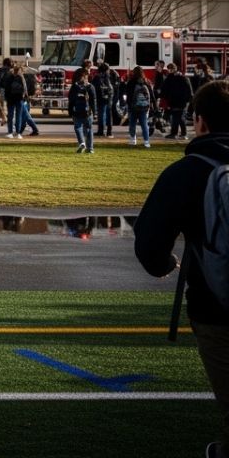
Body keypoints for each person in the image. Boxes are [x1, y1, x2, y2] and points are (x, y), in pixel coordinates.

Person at [134, 79, 229, 458]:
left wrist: (166, 265)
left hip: (216, 306)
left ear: (200, 121)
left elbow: (149, 243)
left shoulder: (186, 172)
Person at [67, 67, 97, 154]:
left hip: (77, 111)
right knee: (89, 129)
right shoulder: (90, 87)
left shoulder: (75, 87)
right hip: (88, 112)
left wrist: (70, 111)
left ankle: (82, 143)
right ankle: (90, 148)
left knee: (78, 128)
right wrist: (94, 112)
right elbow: (93, 101)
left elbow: (71, 100)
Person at [162, 62, 193, 140]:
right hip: (179, 101)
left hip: (176, 101)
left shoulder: (170, 78)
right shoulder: (183, 78)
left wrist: (164, 97)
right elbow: (189, 90)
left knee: (177, 117)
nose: (170, 71)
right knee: (179, 117)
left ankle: (176, 133)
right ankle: (181, 133)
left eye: (170, 69)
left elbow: (165, 90)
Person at [126, 65, 154, 148]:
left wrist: (129, 105)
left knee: (132, 124)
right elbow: (151, 95)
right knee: (144, 124)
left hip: (133, 106)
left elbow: (129, 95)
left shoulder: (131, 82)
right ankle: (146, 141)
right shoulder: (146, 82)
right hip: (144, 107)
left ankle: (133, 140)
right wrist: (153, 105)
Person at [92, 63, 117, 138]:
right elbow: (115, 85)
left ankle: (101, 131)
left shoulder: (97, 77)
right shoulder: (110, 76)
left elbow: (94, 87)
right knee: (109, 115)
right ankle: (109, 132)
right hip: (109, 97)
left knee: (101, 115)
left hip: (101, 97)